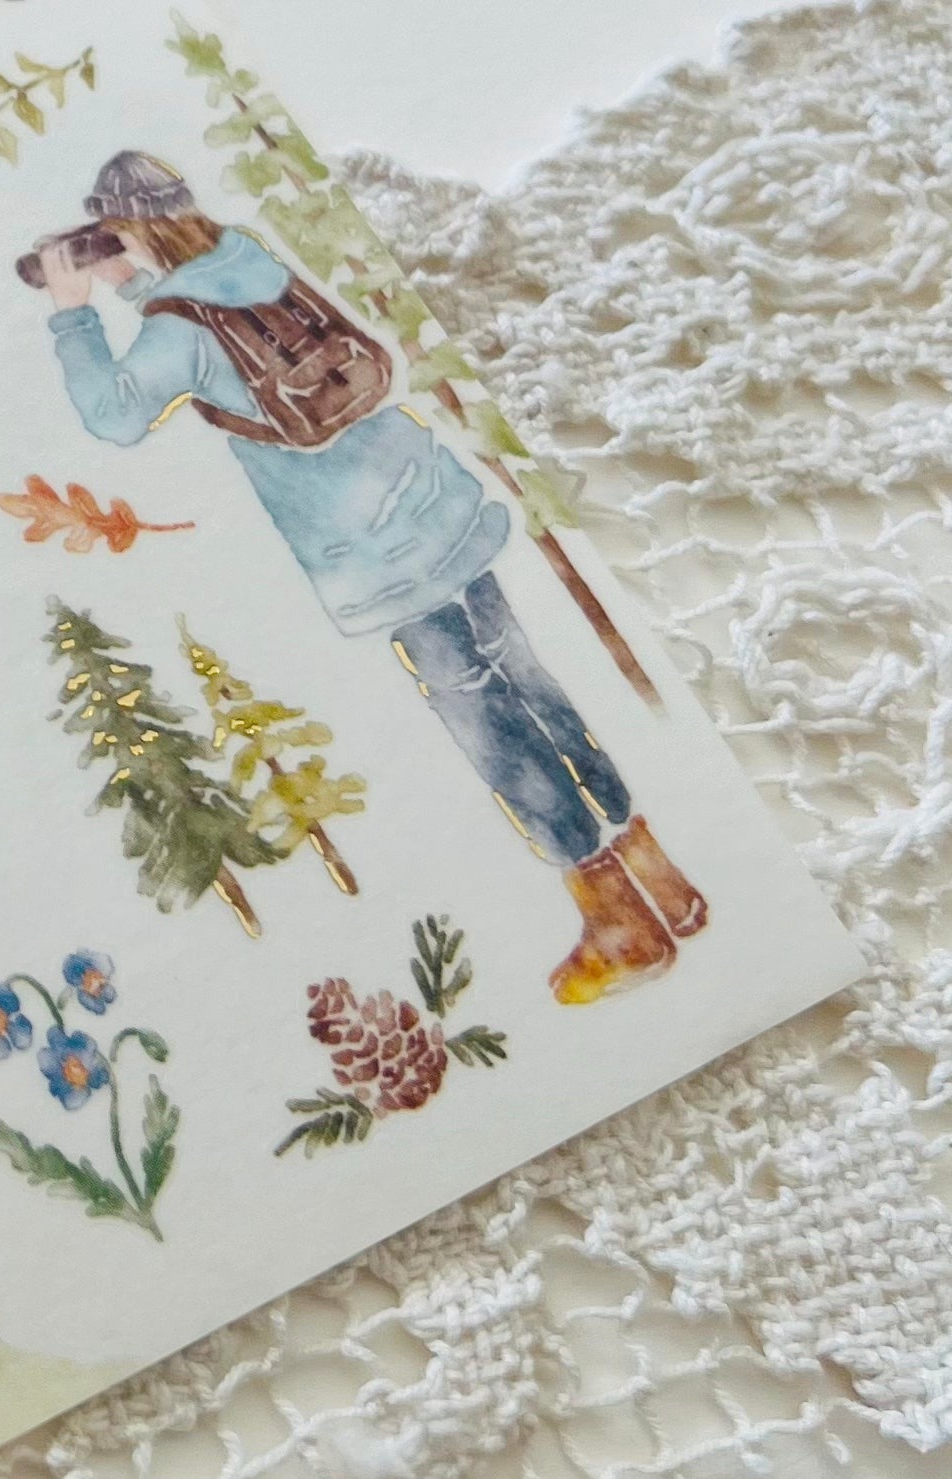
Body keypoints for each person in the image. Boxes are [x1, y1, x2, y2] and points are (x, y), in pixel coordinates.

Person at [37, 150, 706, 1006]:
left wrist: (72, 315)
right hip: (431, 501)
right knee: (527, 676)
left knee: (486, 721)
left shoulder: (177, 327)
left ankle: (615, 920)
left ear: (125, 227)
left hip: (373, 551)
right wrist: (135, 282)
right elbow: (218, 330)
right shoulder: (247, 258)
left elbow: (116, 414)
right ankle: (660, 876)